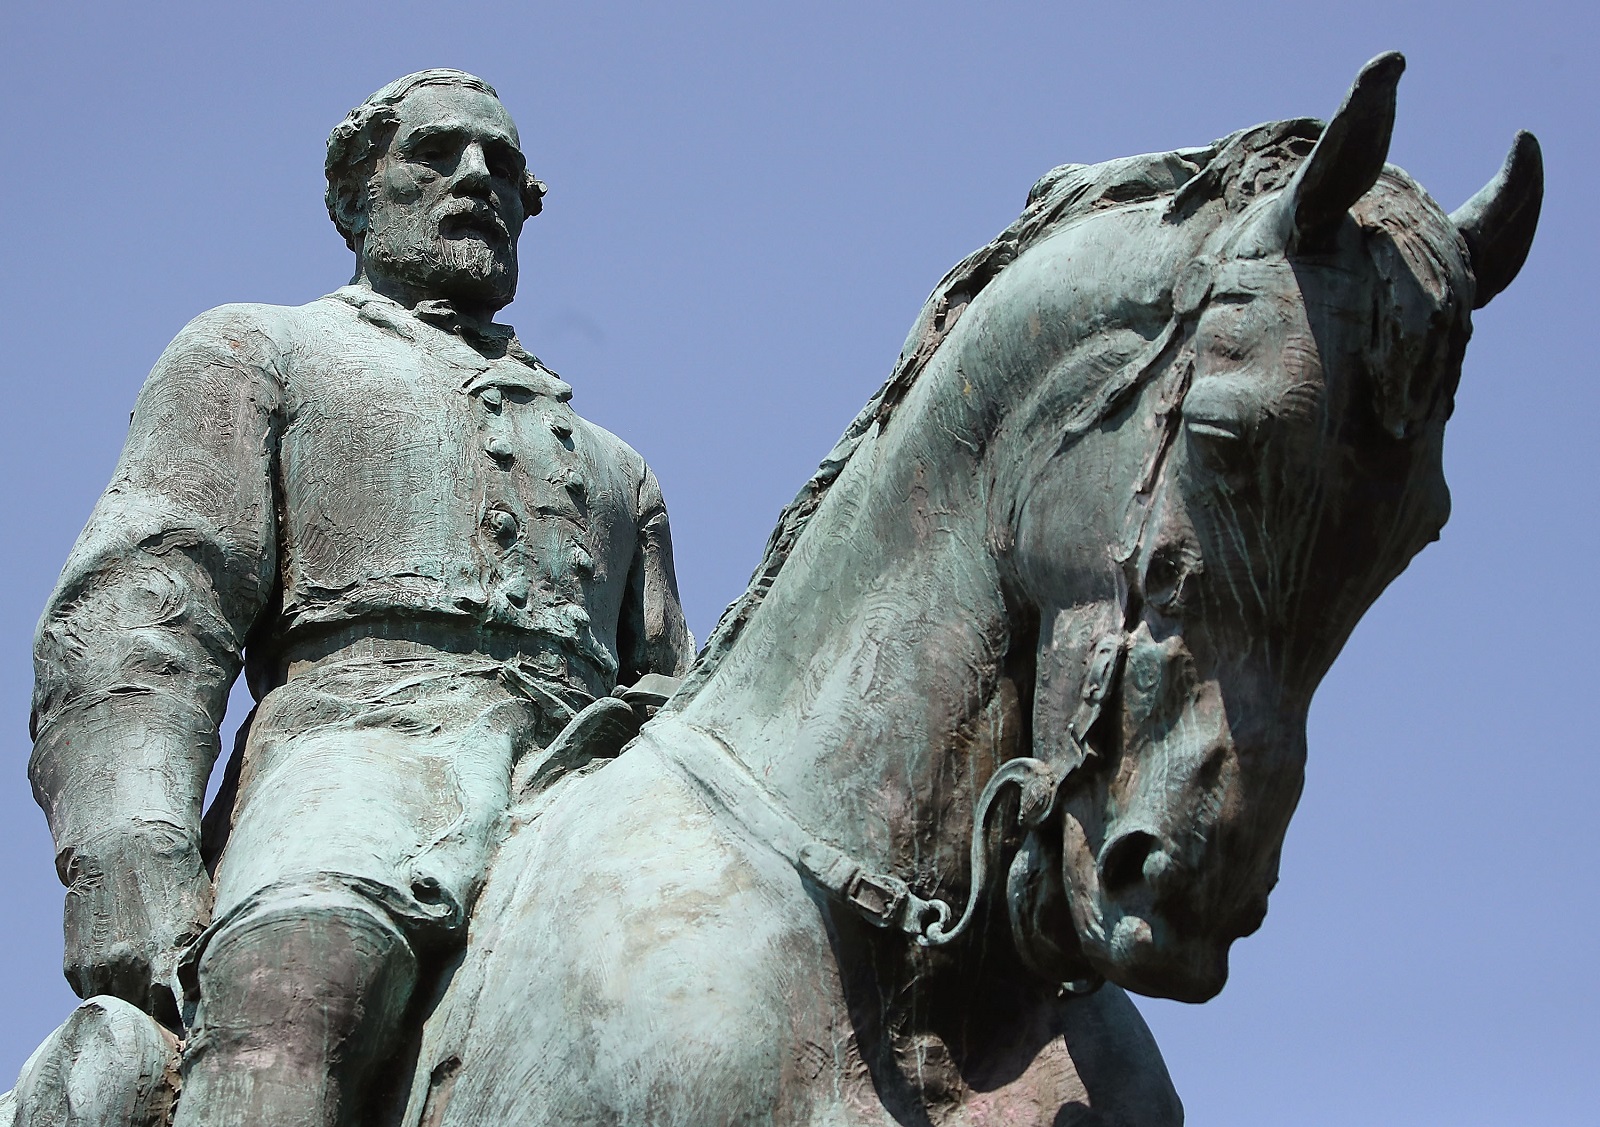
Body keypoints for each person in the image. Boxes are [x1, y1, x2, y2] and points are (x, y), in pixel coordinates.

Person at [28, 69, 693, 1125]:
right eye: (435, 153)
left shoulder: (621, 470)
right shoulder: (260, 349)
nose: (478, 178)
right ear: (350, 197)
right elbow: (147, 610)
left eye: (505, 168)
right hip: (356, 751)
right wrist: (132, 848)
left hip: (595, 774)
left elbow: (673, 690)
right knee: (300, 983)